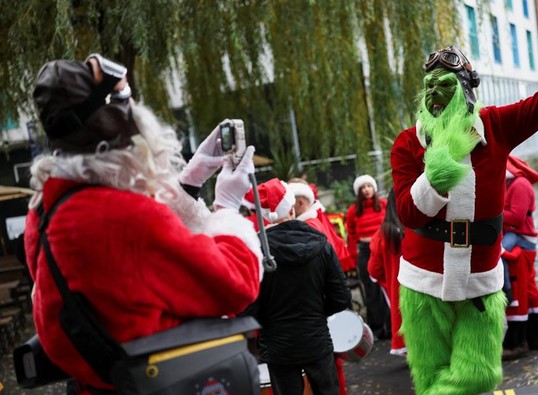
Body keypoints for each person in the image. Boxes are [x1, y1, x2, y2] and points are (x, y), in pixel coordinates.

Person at [25, 54, 263, 393]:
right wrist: (227, 206)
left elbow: (143, 259)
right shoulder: (121, 216)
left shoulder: (47, 210)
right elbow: (237, 282)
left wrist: (190, 181)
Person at [390, 25, 538, 392]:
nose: (435, 93)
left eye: (445, 85)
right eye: (429, 86)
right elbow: (408, 214)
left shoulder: (496, 126)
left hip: (480, 280)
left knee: (478, 375)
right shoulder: (408, 144)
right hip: (421, 282)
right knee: (430, 377)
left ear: (465, 89)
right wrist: (441, 165)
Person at [249, 178, 351, 395]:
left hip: (278, 345)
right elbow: (341, 297)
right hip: (315, 338)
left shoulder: (255, 252)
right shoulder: (321, 243)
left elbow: (248, 306)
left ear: (265, 216)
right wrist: (315, 314)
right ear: (292, 209)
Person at [286, 179, 352, 395]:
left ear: (301, 203)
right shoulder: (316, 223)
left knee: (327, 371)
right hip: (322, 310)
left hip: (317, 312)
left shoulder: (309, 228)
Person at [501, 155, 538, 360]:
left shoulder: (519, 185)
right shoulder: (513, 183)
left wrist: (493, 214)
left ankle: (505, 290)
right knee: (528, 287)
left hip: (522, 240)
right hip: (518, 237)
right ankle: (534, 336)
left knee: (520, 285)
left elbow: (517, 218)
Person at [345, 174, 390, 339]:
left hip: (384, 249)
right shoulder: (353, 211)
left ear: (374, 188)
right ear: (358, 191)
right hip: (365, 251)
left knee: (388, 288)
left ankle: (394, 328)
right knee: (371, 290)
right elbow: (351, 234)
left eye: (369, 186)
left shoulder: (384, 205)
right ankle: (377, 330)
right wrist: (351, 257)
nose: (366, 190)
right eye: (362, 187)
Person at [368, 189, 406, 357]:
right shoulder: (421, 229)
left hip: (397, 290)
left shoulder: (382, 235)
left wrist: (388, 282)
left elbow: (373, 269)